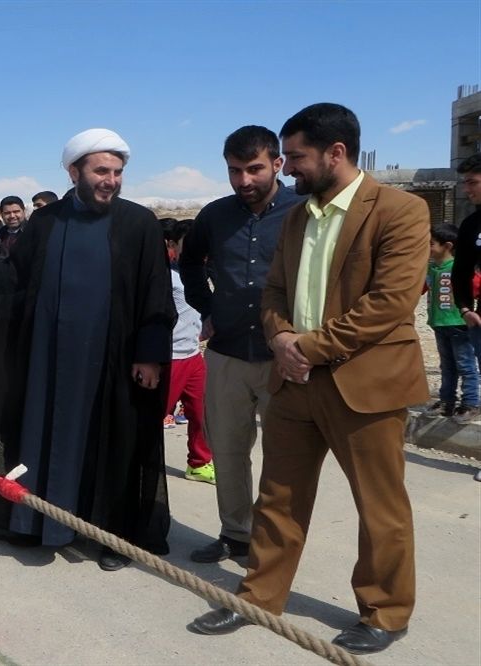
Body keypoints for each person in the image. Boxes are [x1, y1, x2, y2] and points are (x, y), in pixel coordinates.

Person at [189, 103, 430, 656]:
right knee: (279, 497)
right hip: (294, 380)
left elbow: (390, 303)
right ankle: (260, 596)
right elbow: (274, 292)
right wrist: (280, 340)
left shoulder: (400, 210)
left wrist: (307, 348)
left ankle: (385, 612)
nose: (288, 168)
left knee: (380, 506)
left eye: (295, 157)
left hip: (365, 384)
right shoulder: (300, 216)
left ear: (335, 153)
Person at [0, 128, 175, 571]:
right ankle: (39, 525)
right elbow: (13, 277)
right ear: (74, 172)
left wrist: (149, 353)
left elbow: (156, 293)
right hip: (48, 359)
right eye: (101, 171)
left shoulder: (138, 223)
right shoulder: (46, 223)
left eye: (117, 172)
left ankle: (111, 539)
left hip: (112, 362)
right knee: (42, 439)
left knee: (112, 445)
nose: (111, 180)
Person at [179, 125, 304, 564]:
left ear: (278, 164)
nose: (244, 180)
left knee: (284, 459)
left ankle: (273, 548)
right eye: (235, 171)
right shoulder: (215, 215)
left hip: (284, 360)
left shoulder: (306, 211)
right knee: (229, 453)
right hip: (228, 353)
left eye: (254, 169)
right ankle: (235, 534)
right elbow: (189, 260)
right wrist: (207, 306)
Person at [159, 218, 214, 483]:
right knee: (153, 418)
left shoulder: (199, 271)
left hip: (193, 355)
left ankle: (200, 463)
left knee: (202, 413)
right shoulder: (163, 274)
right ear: (172, 245)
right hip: (169, 358)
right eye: (187, 244)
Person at [423, 224, 480, 423]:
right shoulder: (430, 268)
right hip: (439, 325)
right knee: (446, 366)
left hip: (459, 325)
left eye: (430, 243)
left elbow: (477, 287)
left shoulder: (460, 268)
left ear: (447, 246)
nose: (426, 247)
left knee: (466, 366)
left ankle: (471, 403)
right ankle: (447, 402)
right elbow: (416, 289)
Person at [451, 152, 481, 373]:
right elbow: (461, 271)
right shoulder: (471, 225)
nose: (466, 189)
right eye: (465, 183)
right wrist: (464, 309)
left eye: (472, 182)